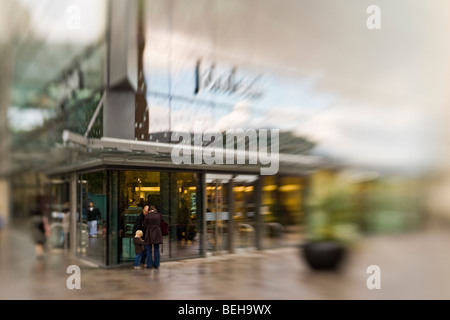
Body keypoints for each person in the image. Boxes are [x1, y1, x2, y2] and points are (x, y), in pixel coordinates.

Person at [143, 204, 162, 269]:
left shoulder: (147, 216)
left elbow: (144, 225)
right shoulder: (158, 215)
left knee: (148, 249)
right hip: (157, 233)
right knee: (156, 249)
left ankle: (149, 264)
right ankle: (157, 264)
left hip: (149, 233)